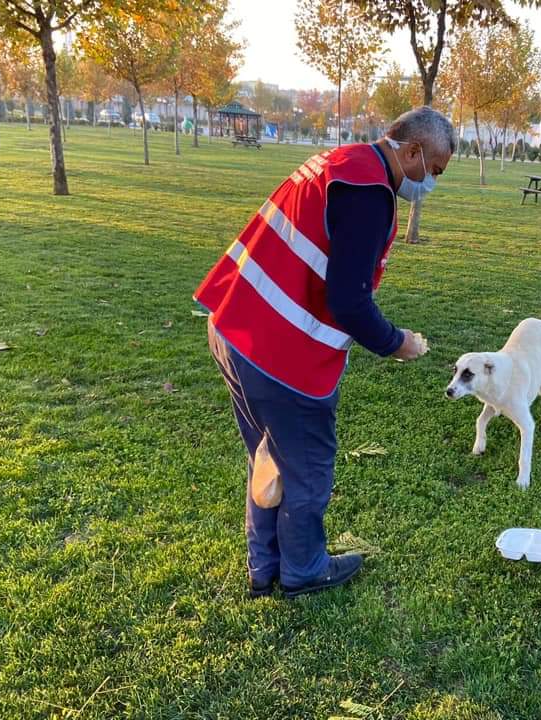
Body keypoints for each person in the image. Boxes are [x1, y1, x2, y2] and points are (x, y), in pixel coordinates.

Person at [194, 107, 455, 599]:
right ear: (413, 151)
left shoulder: (338, 163)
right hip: (279, 351)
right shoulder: (368, 192)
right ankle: (303, 570)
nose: (431, 183)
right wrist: (397, 343)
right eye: (434, 170)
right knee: (307, 465)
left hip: (235, 325)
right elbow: (349, 300)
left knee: (268, 456)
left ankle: (264, 565)